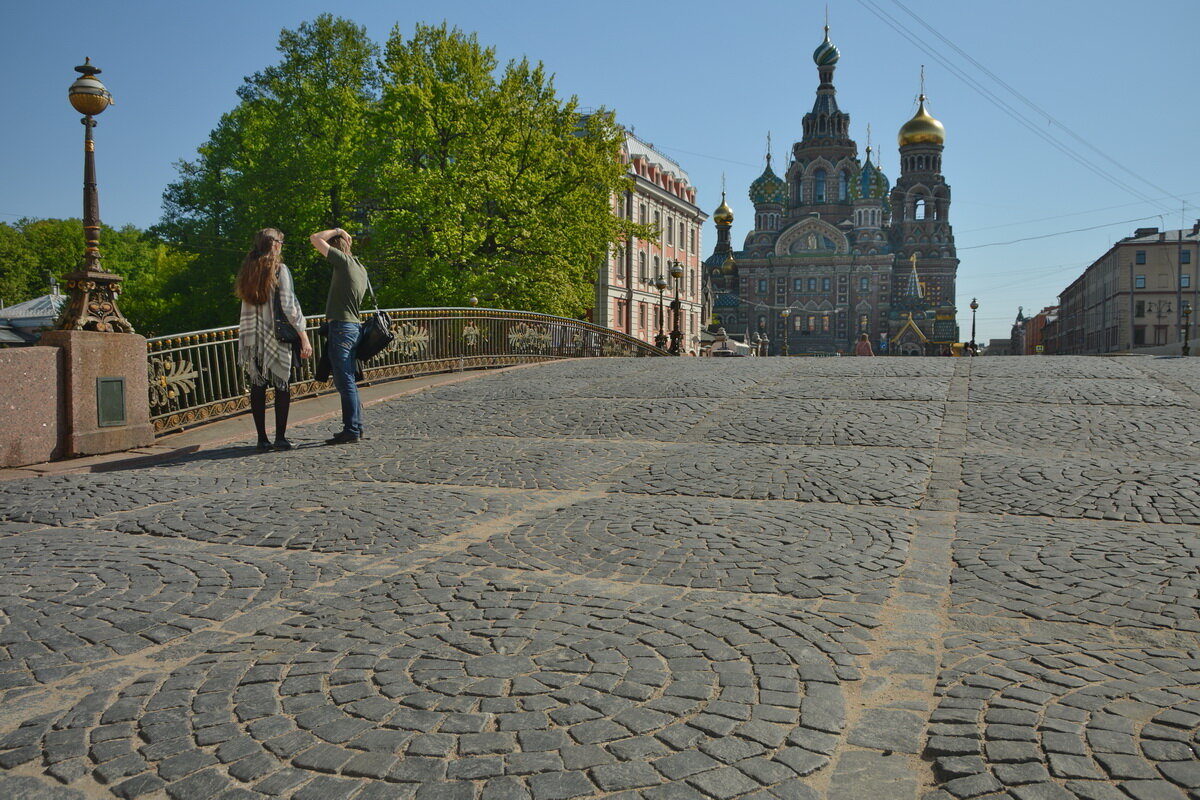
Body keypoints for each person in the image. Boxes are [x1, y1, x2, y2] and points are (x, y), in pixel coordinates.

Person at [235, 228, 312, 452]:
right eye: (281, 242)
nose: (282, 245)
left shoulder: (248, 269)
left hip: (252, 337)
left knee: (258, 385)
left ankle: (261, 439)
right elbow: (289, 305)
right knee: (282, 384)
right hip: (275, 336)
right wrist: (303, 335)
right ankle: (280, 438)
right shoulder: (280, 269)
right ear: (274, 244)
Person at [310, 227, 367, 444]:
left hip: (342, 328)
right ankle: (356, 426)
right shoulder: (360, 267)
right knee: (349, 380)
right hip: (353, 328)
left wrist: (337, 230)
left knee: (345, 382)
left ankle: (351, 429)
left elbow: (314, 238)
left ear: (334, 248)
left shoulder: (343, 262)